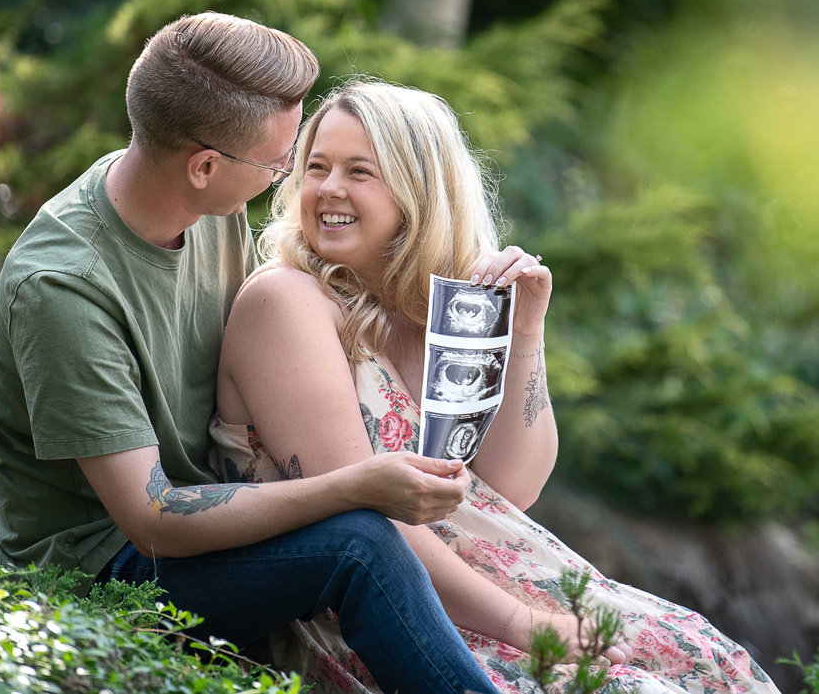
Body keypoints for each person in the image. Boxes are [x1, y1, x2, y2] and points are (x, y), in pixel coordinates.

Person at [0, 13, 501, 694]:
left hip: (212, 525)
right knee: (359, 543)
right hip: (102, 574)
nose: (290, 177)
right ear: (204, 166)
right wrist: (353, 485)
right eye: (281, 162)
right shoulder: (64, 288)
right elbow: (152, 517)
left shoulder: (199, 205)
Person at [213, 78, 784, 694]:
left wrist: (527, 330)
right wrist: (526, 625)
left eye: (359, 171)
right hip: (384, 613)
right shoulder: (286, 301)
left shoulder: (444, 311)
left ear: (419, 189)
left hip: (494, 582)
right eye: (316, 167)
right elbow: (364, 525)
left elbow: (511, 488)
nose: (328, 189)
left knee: (715, 663)